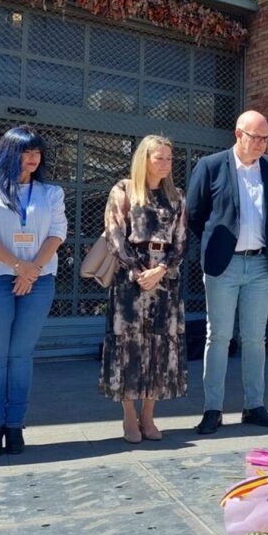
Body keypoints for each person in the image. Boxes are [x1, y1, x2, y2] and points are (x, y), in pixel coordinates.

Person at [0, 126, 66, 456]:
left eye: (37, 151)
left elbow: (56, 234)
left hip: (38, 281)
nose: (33, 157)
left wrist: (32, 269)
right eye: (26, 151)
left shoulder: (51, 194)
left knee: (21, 354)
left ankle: (15, 424)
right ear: (10, 152)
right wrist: (17, 267)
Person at [187, 110, 268, 436]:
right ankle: (212, 409)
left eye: (265, 138)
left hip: (259, 265)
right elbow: (194, 214)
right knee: (218, 337)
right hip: (223, 265)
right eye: (254, 137)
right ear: (238, 134)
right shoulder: (211, 165)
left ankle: (253, 406)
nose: (260, 143)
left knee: (255, 339)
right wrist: (217, 244)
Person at [100, 135, 187, 444]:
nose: (164, 164)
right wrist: (139, 272)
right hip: (130, 279)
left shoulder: (175, 196)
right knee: (129, 347)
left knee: (159, 347)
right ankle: (128, 416)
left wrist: (161, 269)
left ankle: (148, 415)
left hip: (165, 279)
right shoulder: (123, 190)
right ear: (144, 160)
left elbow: (181, 240)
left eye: (168, 158)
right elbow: (115, 234)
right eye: (158, 158)